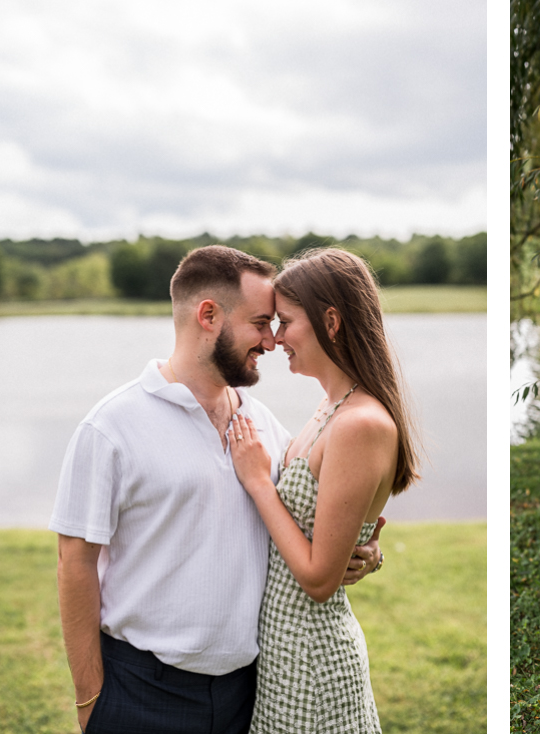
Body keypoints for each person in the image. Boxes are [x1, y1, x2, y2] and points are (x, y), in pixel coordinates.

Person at [50, 246, 382, 734]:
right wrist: (90, 698)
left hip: (249, 695)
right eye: (260, 323)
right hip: (141, 692)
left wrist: (366, 549)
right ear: (208, 315)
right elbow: (74, 562)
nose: (271, 341)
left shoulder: (264, 426)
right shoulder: (111, 427)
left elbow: (312, 513)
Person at [227, 247, 418, 733]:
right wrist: (367, 551)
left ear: (330, 320)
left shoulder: (360, 424)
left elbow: (318, 580)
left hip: (312, 663)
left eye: (286, 322)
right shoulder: (330, 408)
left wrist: (257, 482)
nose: (274, 338)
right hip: (283, 659)